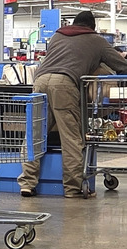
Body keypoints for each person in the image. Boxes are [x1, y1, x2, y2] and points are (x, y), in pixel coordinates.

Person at [18, 11, 127, 198]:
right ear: (91, 26)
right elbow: (121, 65)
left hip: (40, 81)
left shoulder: (57, 35)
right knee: (70, 137)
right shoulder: (96, 40)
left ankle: (27, 183)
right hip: (64, 84)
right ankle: (72, 188)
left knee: (35, 134)